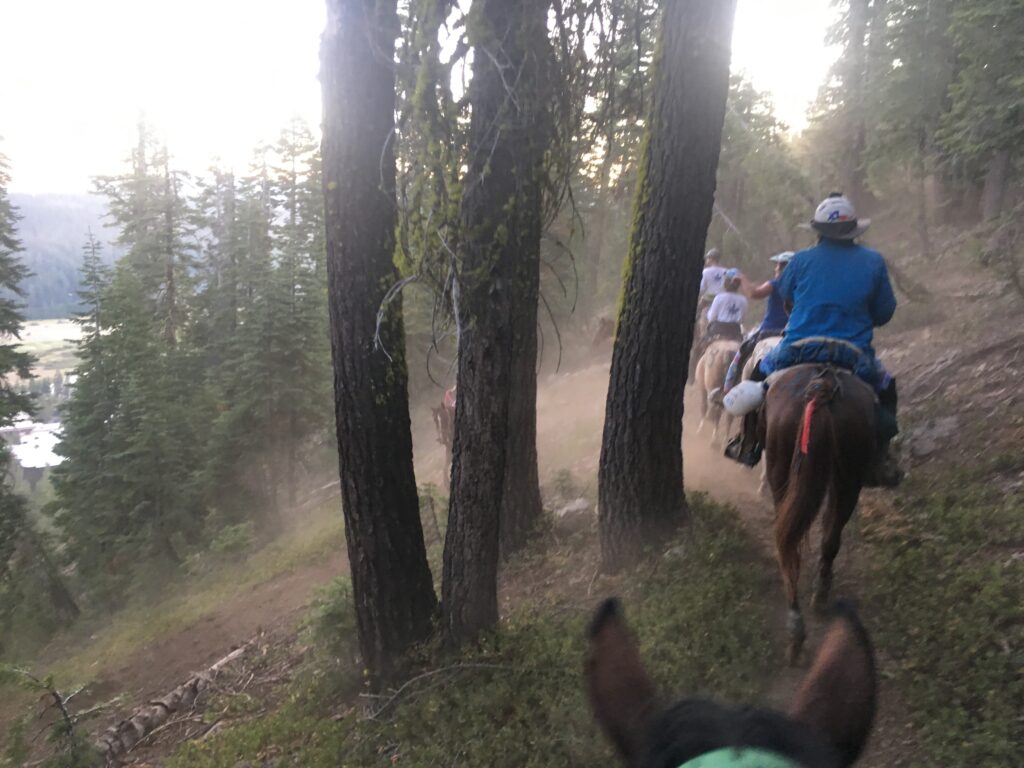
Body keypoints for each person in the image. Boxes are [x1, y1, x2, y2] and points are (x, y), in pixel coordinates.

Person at [724, 193, 901, 487]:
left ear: (817, 231)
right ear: (853, 230)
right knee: (886, 390)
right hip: (854, 355)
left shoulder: (801, 260)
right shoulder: (873, 261)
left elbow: (789, 298)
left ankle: (749, 443)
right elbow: (884, 312)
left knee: (757, 374)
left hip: (795, 350)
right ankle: (880, 460)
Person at [717, 251, 793, 399]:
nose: (775, 269)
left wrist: (742, 278)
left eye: (777, 267)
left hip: (769, 331)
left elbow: (753, 293)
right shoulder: (800, 287)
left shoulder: (775, 284)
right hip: (791, 332)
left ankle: (727, 390)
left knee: (742, 352)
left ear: (783, 268)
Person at [692, 270, 747, 369]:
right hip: (735, 332)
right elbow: (742, 319)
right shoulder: (743, 300)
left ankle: (692, 377)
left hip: (717, 330)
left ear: (726, 282)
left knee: (698, 349)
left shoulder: (719, 298)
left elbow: (711, 317)